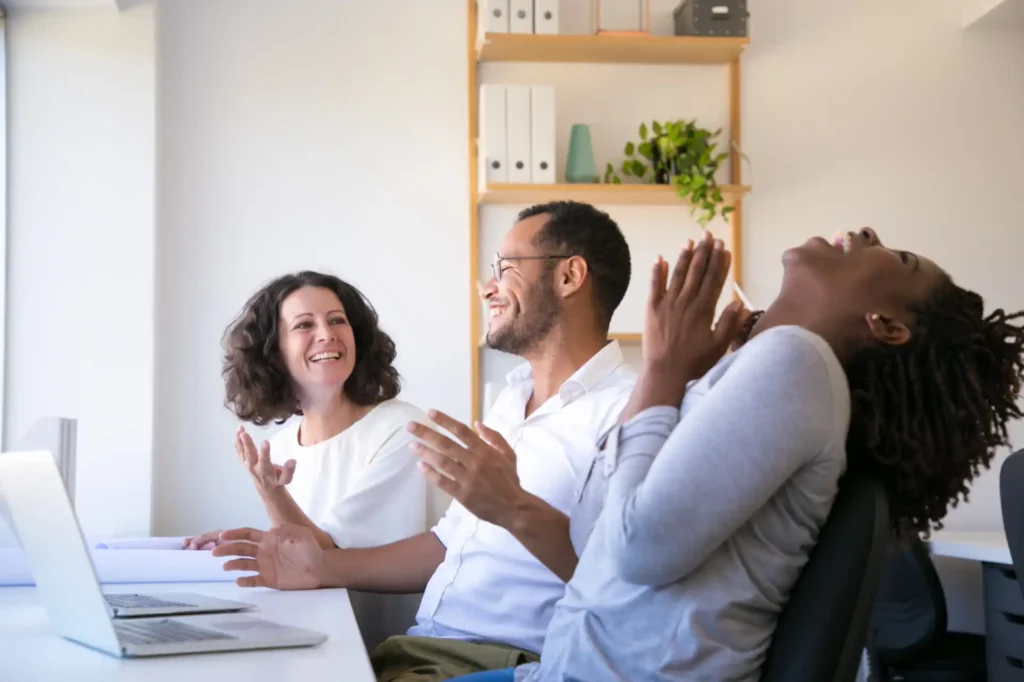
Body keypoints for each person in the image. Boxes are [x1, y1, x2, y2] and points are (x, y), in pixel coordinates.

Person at [448, 227, 1024, 682]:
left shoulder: (798, 362)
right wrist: (677, 382)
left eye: (899, 259)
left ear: (887, 326)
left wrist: (662, 370)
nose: (869, 232)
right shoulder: (757, 372)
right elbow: (593, 541)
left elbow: (634, 550)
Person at [213, 200, 638, 681]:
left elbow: (628, 586)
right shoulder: (510, 401)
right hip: (421, 649)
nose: (487, 288)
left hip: (507, 661)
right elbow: (445, 543)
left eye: (506, 268)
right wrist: (321, 570)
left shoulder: (628, 415)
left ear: (569, 276)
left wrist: (514, 507)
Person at [182, 271, 450, 648]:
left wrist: (271, 495)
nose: (326, 334)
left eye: (337, 320)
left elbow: (326, 559)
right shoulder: (281, 445)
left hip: (386, 651)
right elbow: (300, 560)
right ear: (275, 353)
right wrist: (235, 546)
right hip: (317, 636)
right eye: (304, 325)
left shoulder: (401, 428)